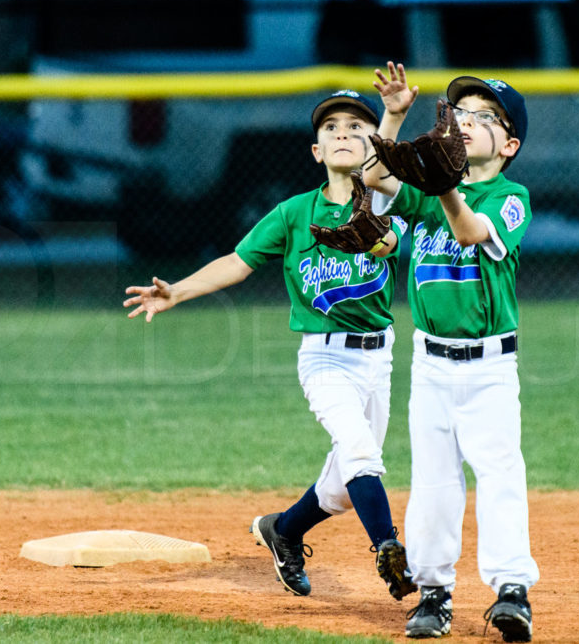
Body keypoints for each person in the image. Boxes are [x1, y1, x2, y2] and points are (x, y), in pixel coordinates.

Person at [122, 89, 417, 603]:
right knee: (361, 452)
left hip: (380, 356)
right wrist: (179, 291)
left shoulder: (385, 200)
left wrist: (393, 115)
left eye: (355, 127)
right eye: (331, 129)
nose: (342, 134)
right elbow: (237, 263)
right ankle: (389, 548)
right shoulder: (293, 214)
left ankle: (283, 529)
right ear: (315, 152)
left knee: (344, 489)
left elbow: (384, 174)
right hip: (324, 356)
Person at [362, 62, 539, 642]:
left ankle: (512, 591)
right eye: (460, 113)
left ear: (508, 144)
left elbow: (468, 230)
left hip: (490, 367)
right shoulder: (427, 192)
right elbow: (373, 176)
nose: (466, 122)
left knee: (499, 475)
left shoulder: (512, 197)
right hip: (432, 366)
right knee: (435, 483)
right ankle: (434, 594)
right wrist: (392, 114)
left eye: (484, 117)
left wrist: (442, 186)